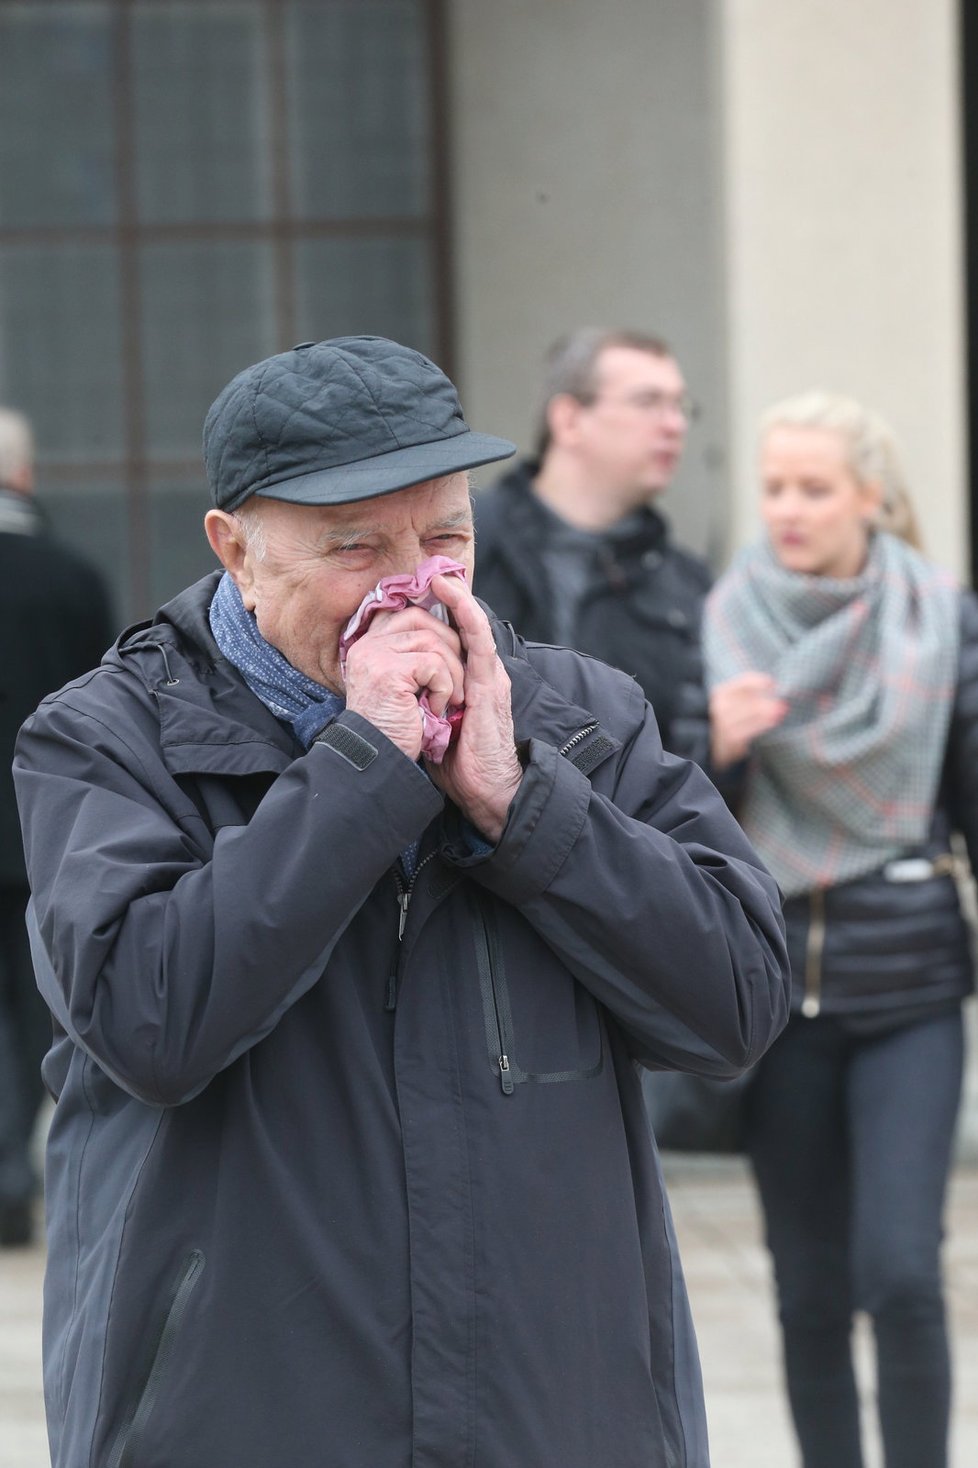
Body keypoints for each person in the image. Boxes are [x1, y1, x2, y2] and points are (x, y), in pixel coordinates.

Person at [14, 336, 788, 1468]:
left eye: (445, 538)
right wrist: (367, 766)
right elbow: (150, 1017)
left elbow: (737, 1002)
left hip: (556, 1418)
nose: (412, 583)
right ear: (234, 549)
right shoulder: (107, 736)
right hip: (239, 1420)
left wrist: (523, 808)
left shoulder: (579, 717)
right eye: (355, 547)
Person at [704, 390, 976, 1468]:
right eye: (774, 486)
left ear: (873, 497)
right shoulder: (726, 620)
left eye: (815, 488)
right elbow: (678, 819)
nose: (789, 509)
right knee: (808, 1289)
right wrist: (717, 743)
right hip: (779, 996)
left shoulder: (942, 618)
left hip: (908, 986)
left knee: (901, 1272)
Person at [474, 328, 713, 765]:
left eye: (680, 406)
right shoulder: (466, 543)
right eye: (648, 402)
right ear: (568, 420)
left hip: (617, 830)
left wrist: (724, 749)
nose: (675, 424)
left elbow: (684, 774)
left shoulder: (689, 585)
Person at [0, 407, 113, 1248]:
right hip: (45, 832)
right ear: (27, 476)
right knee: (41, 1004)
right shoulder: (72, 577)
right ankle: (13, 1171)